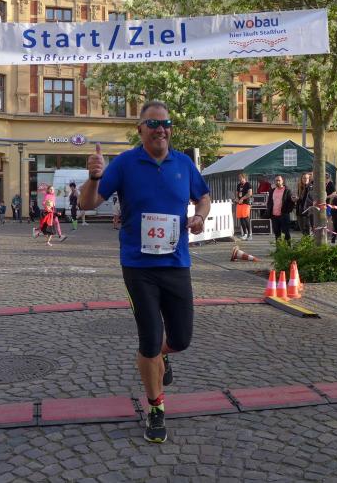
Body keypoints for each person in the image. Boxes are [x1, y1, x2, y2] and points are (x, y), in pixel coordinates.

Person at [78, 100, 210, 444]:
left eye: (165, 124)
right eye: (152, 124)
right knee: (149, 340)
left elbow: (204, 197)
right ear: (140, 129)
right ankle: (155, 406)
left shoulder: (183, 163)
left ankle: (163, 356)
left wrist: (200, 216)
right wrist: (93, 178)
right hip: (138, 266)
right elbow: (87, 203)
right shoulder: (125, 163)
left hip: (176, 263)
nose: (160, 129)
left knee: (180, 339)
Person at [266, 175, 294, 243]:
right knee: (277, 234)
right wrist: (269, 210)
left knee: (286, 233)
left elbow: (291, 202)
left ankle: (288, 248)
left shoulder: (287, 190)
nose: (277, 182)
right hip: (274, 216)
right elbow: (269, 202)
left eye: (279, 180)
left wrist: (287, 211)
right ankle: (278, 248)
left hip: (283, 215)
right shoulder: (272, 191)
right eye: (276, 180)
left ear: (282, 181)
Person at [235, 173, 252, 240]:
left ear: (244, 178)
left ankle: (249, 234)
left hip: (246, 203)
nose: (239, 179)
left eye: (241, 178)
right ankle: (245, 234)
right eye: (239, 178)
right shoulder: (238, 185)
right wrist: (237, 198)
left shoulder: (248, 184)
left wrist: (242, 198)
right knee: (241, 219)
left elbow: (250, 193)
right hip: (239, 204)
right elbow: (237, 194)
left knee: (245, 218)